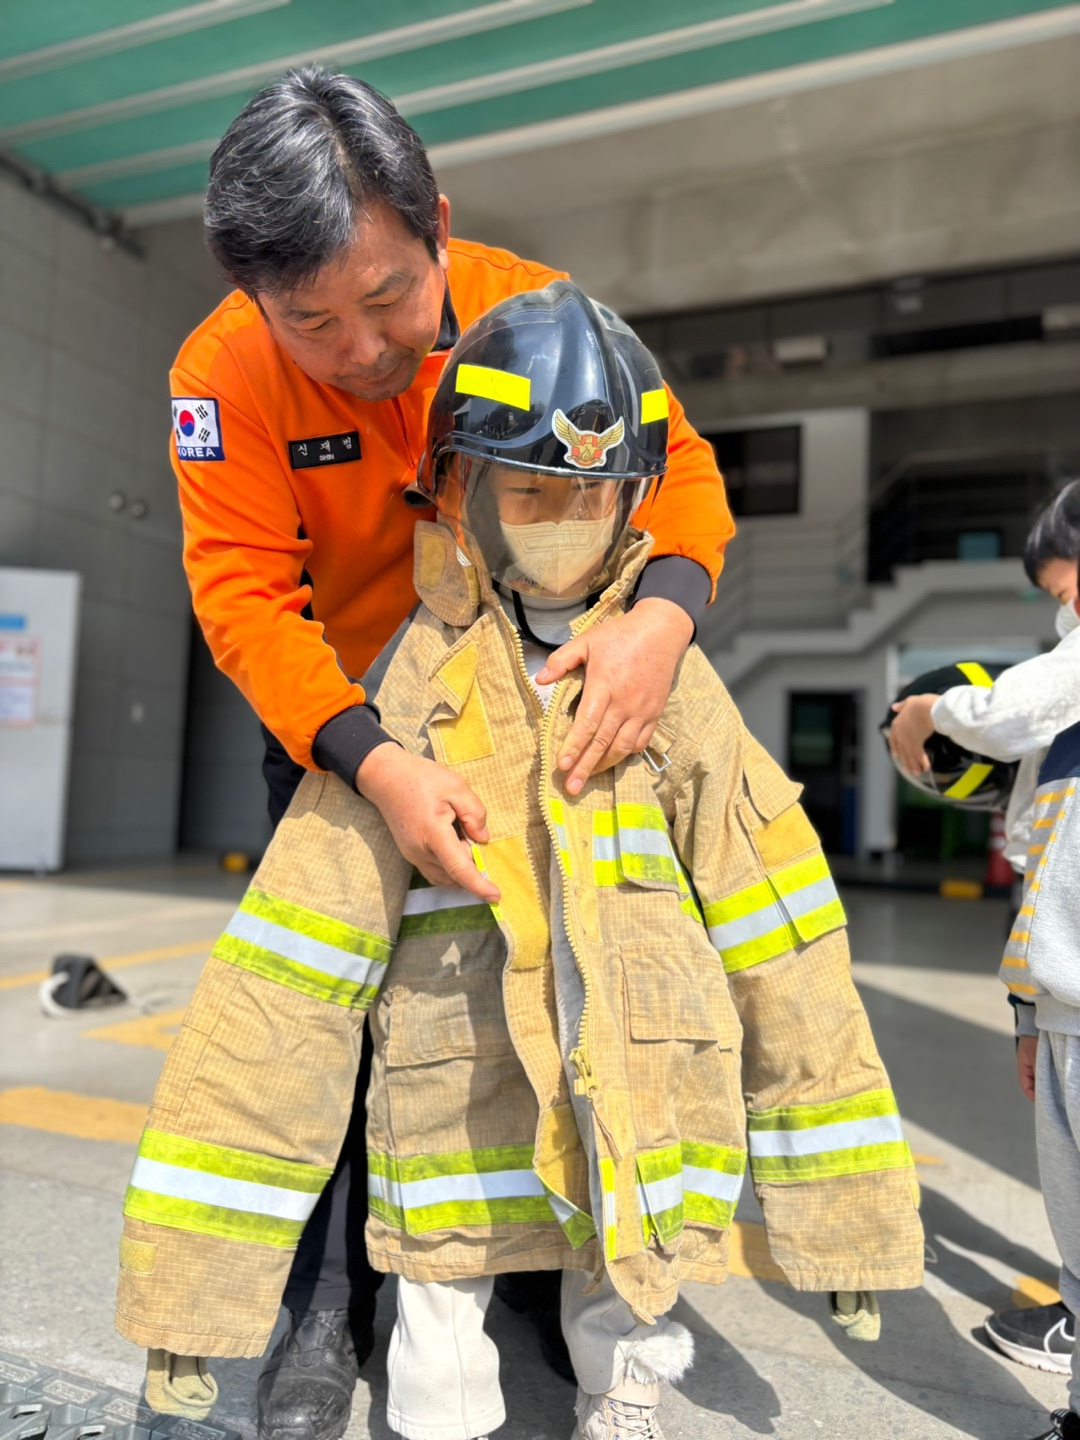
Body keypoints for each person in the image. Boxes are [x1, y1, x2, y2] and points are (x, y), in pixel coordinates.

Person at [119, 281, 925, 1440]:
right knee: (441, 1323)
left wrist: (843, 1216)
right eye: (532, 491)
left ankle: (621, 1398)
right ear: (459, 490)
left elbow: (785, 938)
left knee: (627, 1292)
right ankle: (344, 1327)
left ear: (633, 499)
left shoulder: (670, 687)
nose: (561, 521)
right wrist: (192, 1295)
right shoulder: (416, 677)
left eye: (592, 497)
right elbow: (286, 983)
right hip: (453, 1095)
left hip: (635, 1093)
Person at [173, 64, 735, 1439]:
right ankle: (319, 1312)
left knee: (534, 996)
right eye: (312, 321)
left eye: (386, 300)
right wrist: (370, 759)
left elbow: (688, 480)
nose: (360, 348)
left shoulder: (530, 313)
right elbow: (244, 596)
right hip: (342, 734)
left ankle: (528, 1278)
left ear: (438, 225)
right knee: (344, 1031)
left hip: (535, 710)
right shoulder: (220, 373)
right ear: (256, 302)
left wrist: (662, 622)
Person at [888, 481, 1080, 1428]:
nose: (1067, 612)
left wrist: (929, 711)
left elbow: (1004, 712)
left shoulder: (1054, 684)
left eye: (1072, 588)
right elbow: (1038, 867)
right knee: (1077, 1230)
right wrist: (1026, 1011)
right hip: (1062, 1014)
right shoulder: (1056, 736)